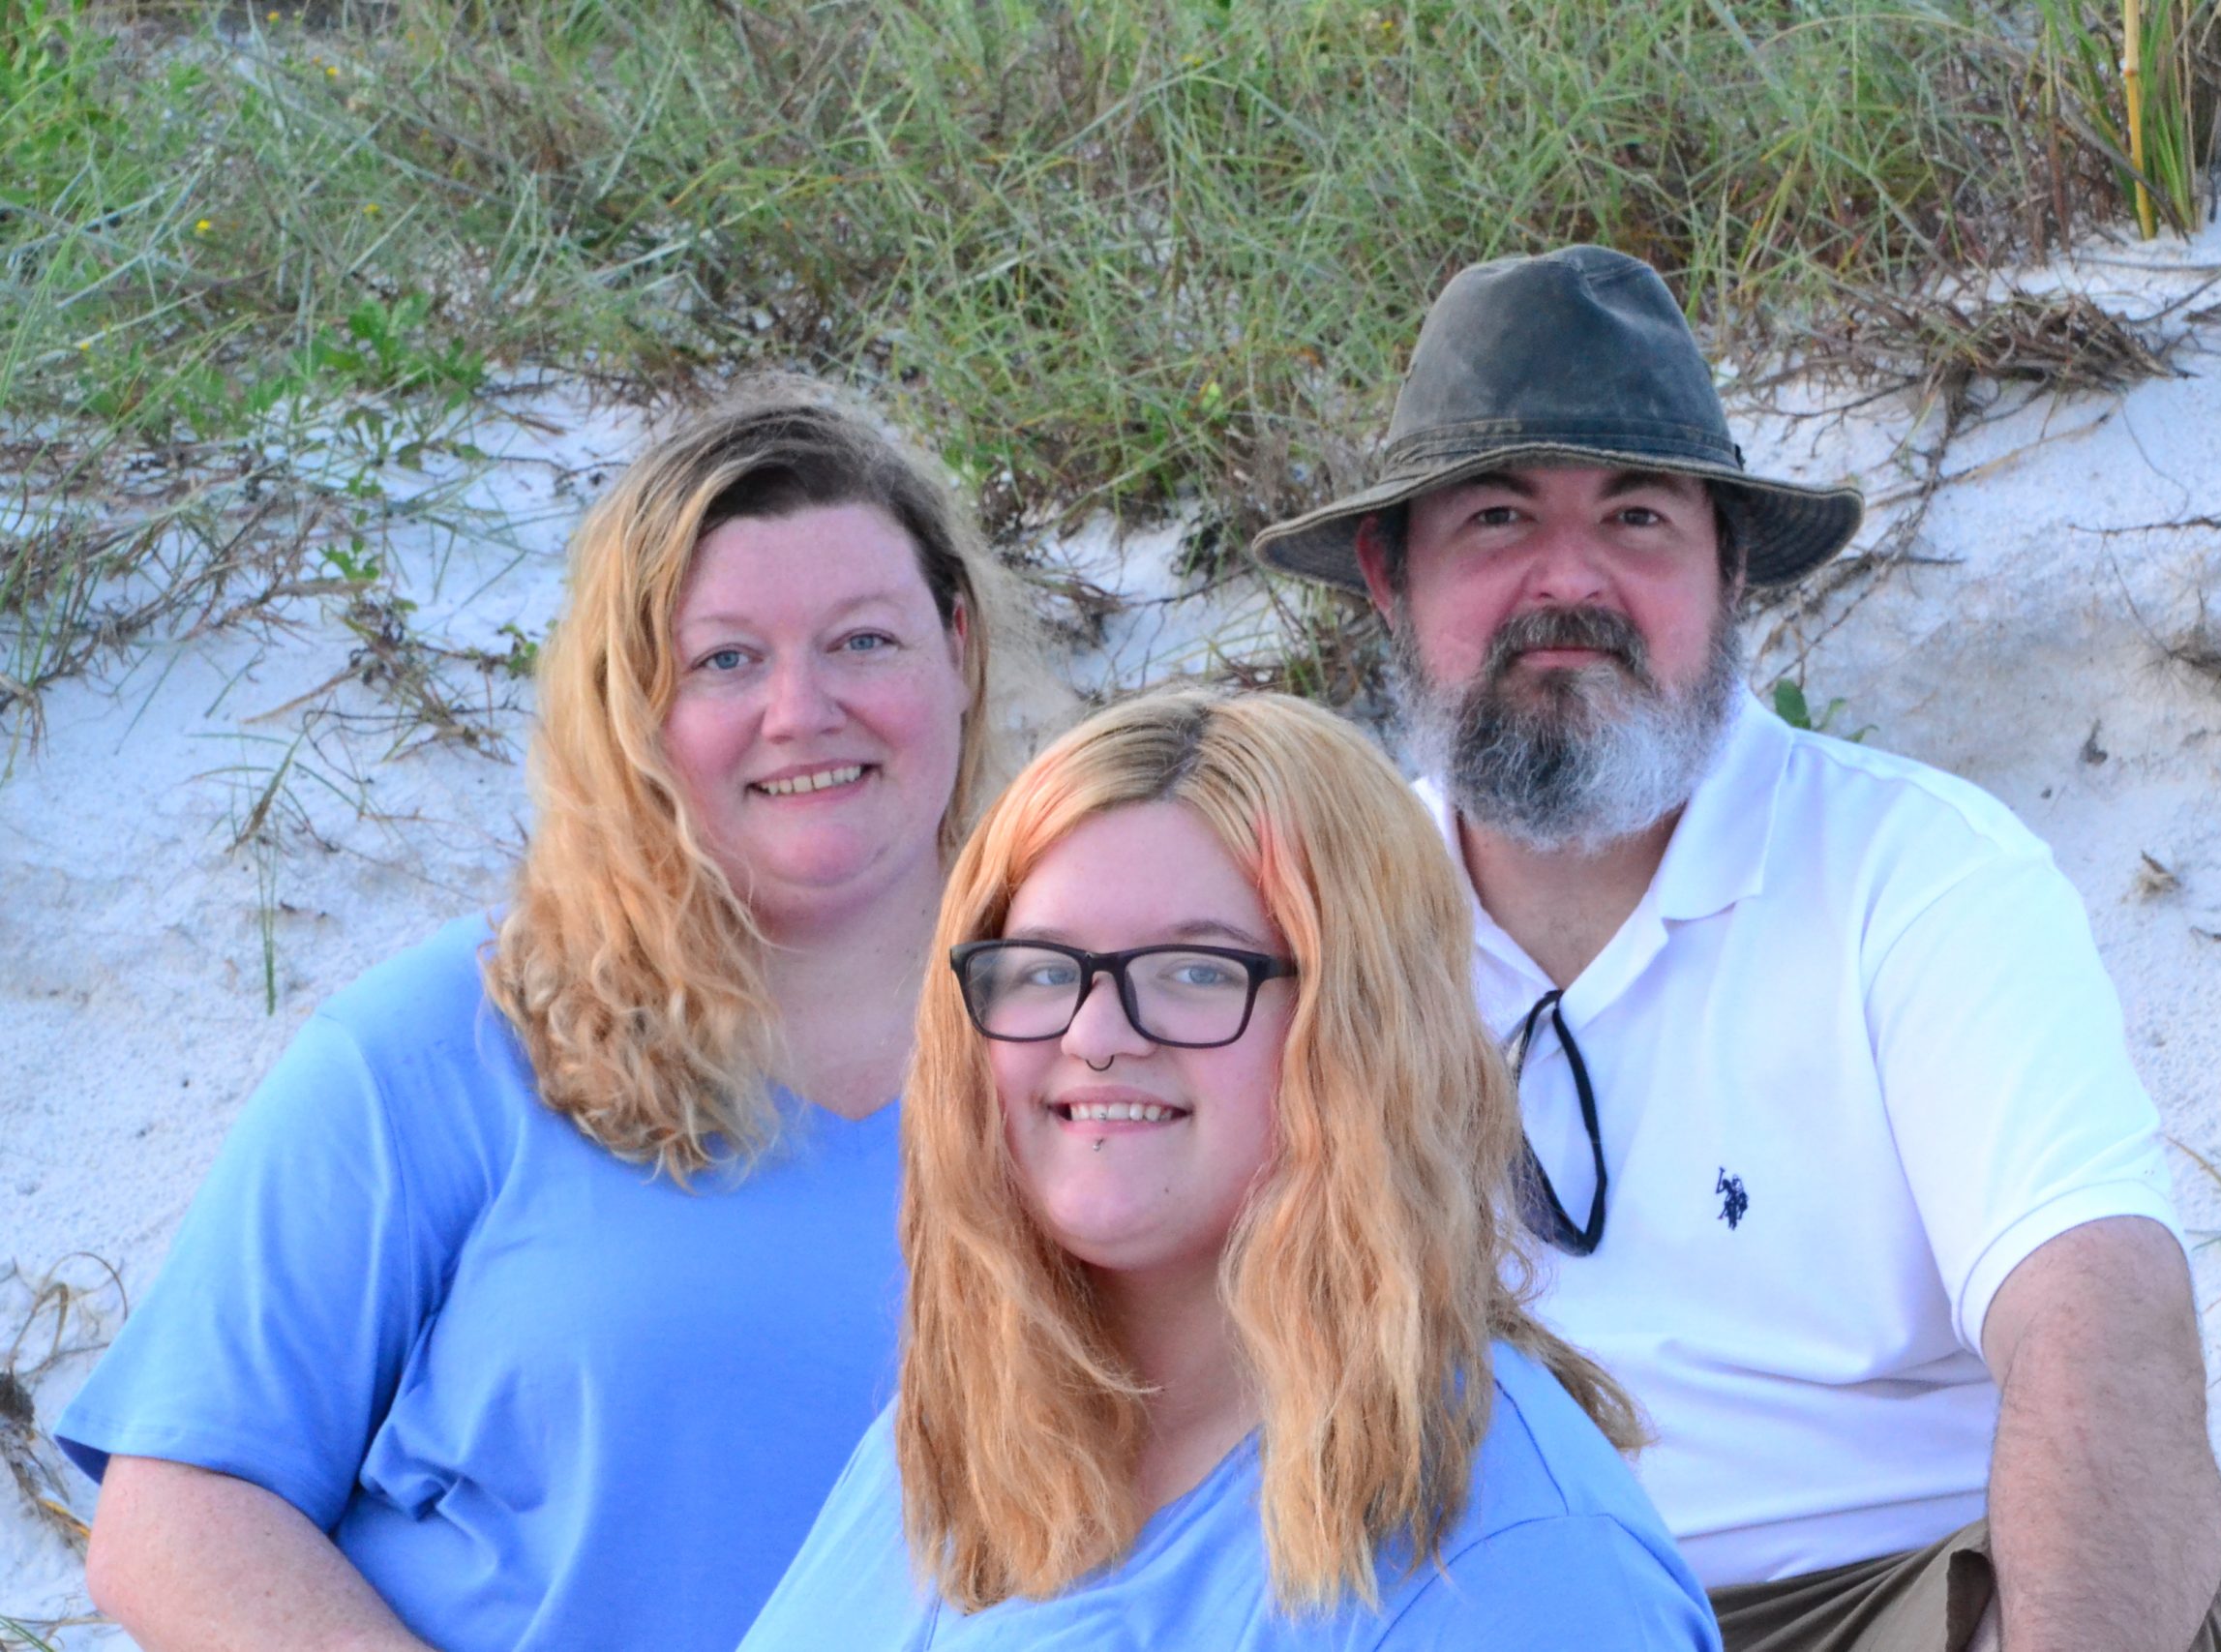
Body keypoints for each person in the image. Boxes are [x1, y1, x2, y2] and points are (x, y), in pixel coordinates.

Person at [1248, 246, 2221, 1652]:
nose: (1569, 580)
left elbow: (2100, 1327)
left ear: (1729, 571)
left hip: (1905, 1592)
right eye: (1499, 518)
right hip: (1497, 1606)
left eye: (1636, 517)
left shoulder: (1918, 872)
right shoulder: (1306, 910)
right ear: (1390, 576)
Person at [57, 378, 997, 1651]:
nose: (803, 708)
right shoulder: (451, 1037)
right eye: (725, 657)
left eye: (865, 639)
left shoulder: (1113, 1038)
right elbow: (176, 1516)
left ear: (960, 646)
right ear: (634, 702)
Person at [737, 689, 1723, 1650]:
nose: (1096, 1033)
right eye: (1042, 967)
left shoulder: (1515, 1571)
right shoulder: (956, 1442)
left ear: (1364, 1031)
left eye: (1196, 972)